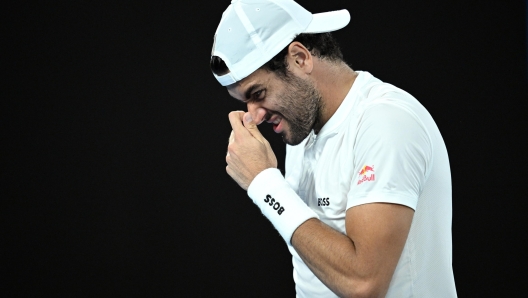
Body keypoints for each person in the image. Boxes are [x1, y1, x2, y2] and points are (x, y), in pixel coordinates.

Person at [210, 0, 457, 297]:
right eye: (245, 103)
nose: (255, 115)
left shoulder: (386, 122)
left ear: (300, 58)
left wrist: (265, 185)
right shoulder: (302, 128)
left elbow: (363, 284)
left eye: (259, 94)